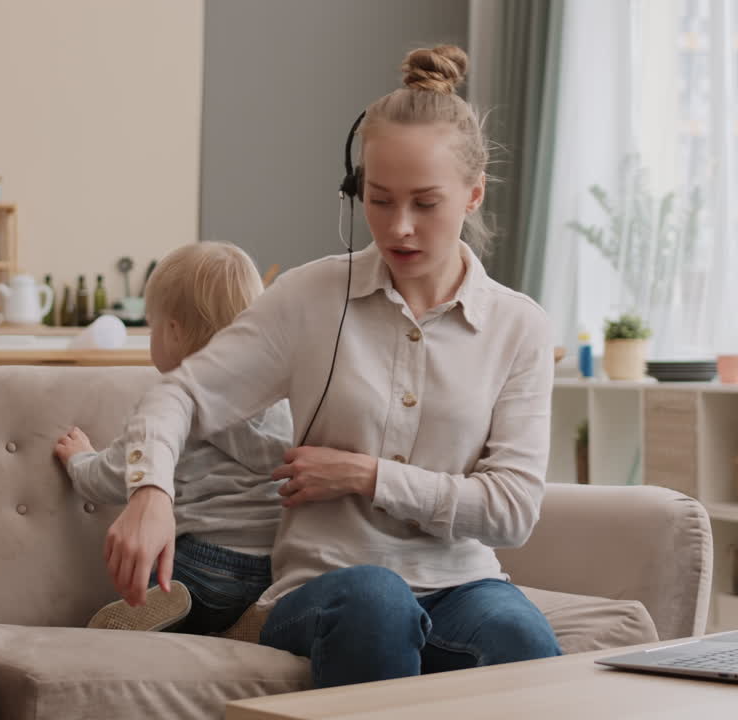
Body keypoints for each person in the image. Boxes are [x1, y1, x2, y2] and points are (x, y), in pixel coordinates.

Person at [101, 44, 561, 687]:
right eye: (379, 199)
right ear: (356, 190)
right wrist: (150, 492)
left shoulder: (519, 327)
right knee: (377, 600)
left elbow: (511, 511)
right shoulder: (310, 298)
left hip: (463, 583)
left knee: (519, 634)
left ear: (473, 195)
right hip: (326, 590)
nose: (399, 228)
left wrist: (366, 476)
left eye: (426, 203)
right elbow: (178, 395)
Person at [54, 242, 292, 636]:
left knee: (162, 574)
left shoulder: (172, 407)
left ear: (175, 332)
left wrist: (79, 459)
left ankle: (164, 601)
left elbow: (112, 477)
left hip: (199, 562)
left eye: (153, 326)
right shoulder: (281, 400)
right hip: (274, 563)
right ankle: (248, 619)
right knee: (225, 612)